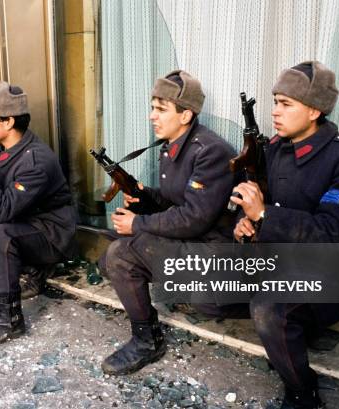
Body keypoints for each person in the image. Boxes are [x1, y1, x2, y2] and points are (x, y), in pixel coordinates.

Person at [226, 61, 339, 409]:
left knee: (269, 308)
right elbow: (246, 196)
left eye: (286, 103)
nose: (274, 112)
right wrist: (245, 224)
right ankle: (295, 332)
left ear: (315, 110)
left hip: (337, 275)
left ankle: (302, 392)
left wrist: (264, 215)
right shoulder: (274, 148)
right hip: (285, 262)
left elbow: (336, 236)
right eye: (275, 101)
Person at [98, 70, 237, 375]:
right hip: (196, 243)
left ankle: (148, 340)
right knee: (110, 251)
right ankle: (184, 295)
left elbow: (193, 218)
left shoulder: (210, 151)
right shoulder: (173, 145)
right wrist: (145, 195)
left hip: (217, 256)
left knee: (122, 254)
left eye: (161, 109)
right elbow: (179, 201)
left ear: (186, 114)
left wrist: (139, 223)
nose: (152, 116)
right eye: (153, 108)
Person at [0, 81, 76, 348]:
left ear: (8, 122)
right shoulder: (9, 149)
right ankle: (35, 269)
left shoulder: (35, 161)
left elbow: (1, 211)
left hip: (51, 234)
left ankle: (9, 320)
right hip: (25, 226)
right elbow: (0, 197)